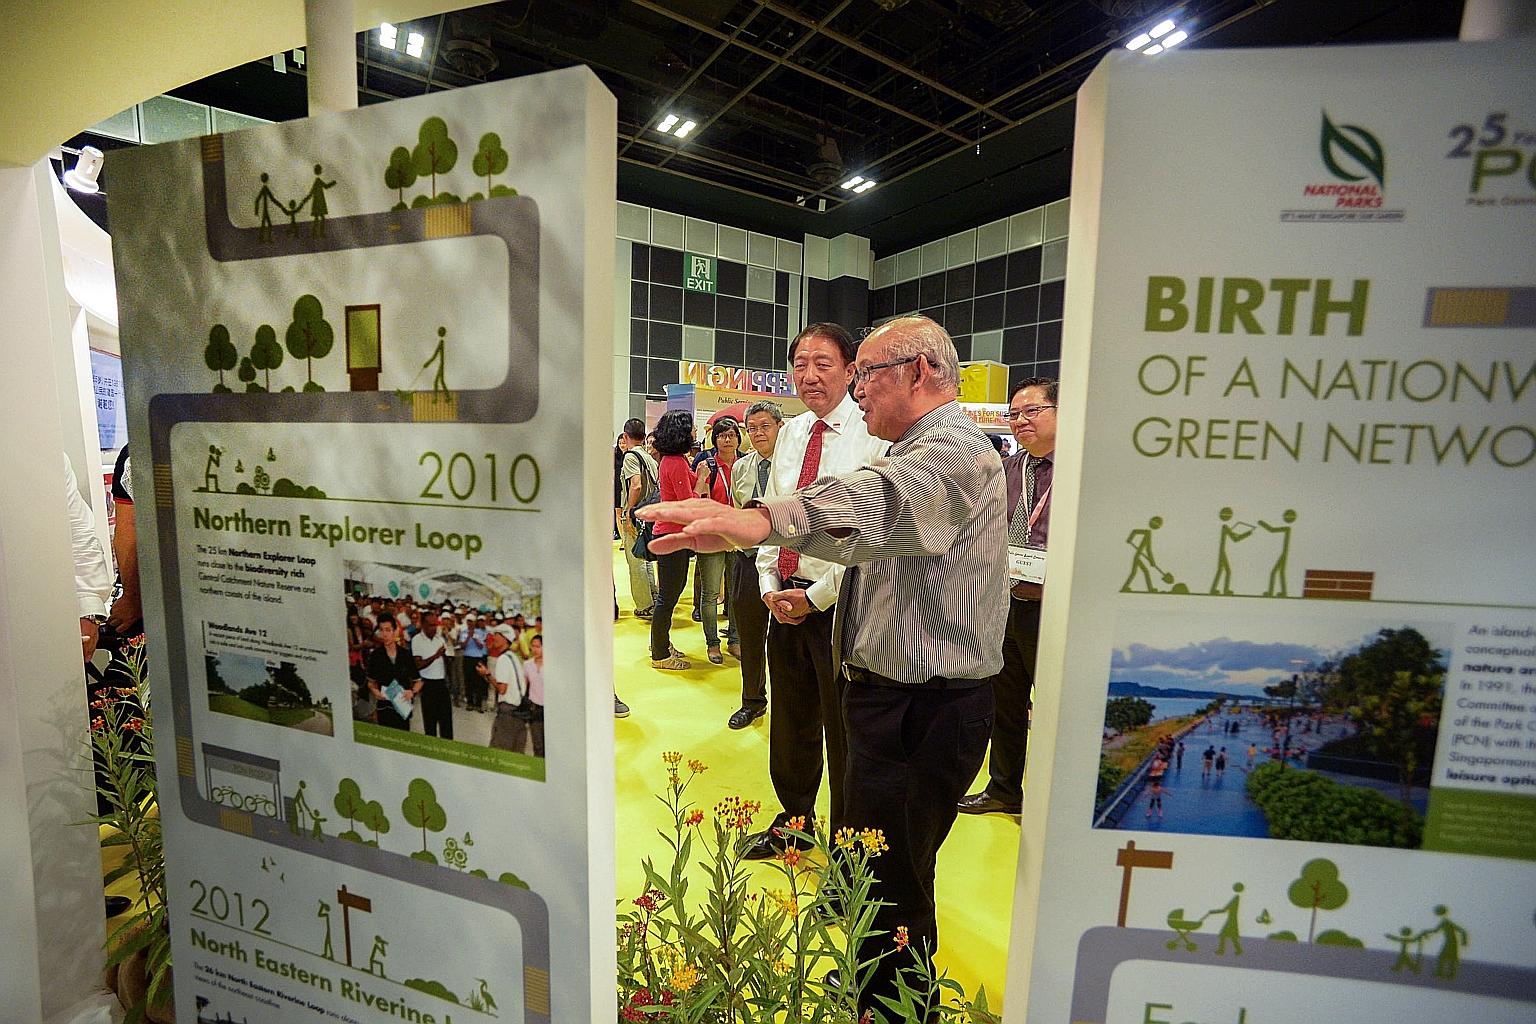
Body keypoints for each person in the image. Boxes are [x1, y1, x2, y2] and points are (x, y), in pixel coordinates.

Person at [639, 314, 1006, 1016]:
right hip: (892, 697)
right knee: (882, 870)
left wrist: (758, 519)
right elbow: (865, 534)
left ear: (920, 372)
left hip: (922, 706)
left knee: (893, 879)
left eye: (865, 373)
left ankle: (894, 1005)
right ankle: (876, 985)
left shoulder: (952, 448)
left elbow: (880, 502)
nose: (855, 390)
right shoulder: (911, 445)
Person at [743, 323, 887, 861]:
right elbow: (772, 513)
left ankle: (849, 847)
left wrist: (816, 597)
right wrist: (769, 583)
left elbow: (871, 534)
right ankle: (794, 820)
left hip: (839, 604)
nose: (809, 375)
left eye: (823, 363)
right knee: (792, 718)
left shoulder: (871, 434)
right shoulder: (792, 434)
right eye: (800, 364)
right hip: (783, 599)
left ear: (852, 371)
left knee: (844, 729)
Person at [959, 377, 1057, 817]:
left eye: (1031, 411)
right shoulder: (1006, 470)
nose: (1020, 421)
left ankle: (1052, 800)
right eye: (1014, 414)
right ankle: (1003, 788)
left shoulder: (1080, 471)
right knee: (1007, 702)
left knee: (1054, 710)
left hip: (1056, 608)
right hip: (1006, 601)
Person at [727, 401, 783, 729]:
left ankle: (792, 707)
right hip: (748, 559)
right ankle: (752, 700)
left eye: (765, 426)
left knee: (785, 641)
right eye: (752, 428)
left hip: (786, 561)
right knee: (749, 634)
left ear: (779, 426)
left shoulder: (794, 465)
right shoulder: (741, 467)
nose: (758, 433)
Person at [648, 410, 698, 670]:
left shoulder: (675, 459)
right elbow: (686, 502)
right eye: (691, 428)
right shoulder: (675, 462)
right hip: (671, 535)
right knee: (668, 595)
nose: (694, 432)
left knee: (670, 593)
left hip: (671, 534)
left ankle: (661, 643)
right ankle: (659, 653)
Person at [693, 417, 743, 664]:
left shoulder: (745, 463)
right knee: (711, 593)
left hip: (737, 537)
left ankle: (734, 640)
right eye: (722, 435)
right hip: (711, 537)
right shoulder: (707, 463)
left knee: (735, 593)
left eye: (732, 435)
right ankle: (713, 643)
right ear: (715, 439)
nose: (727, 439)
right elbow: (696, 501)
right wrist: (701, 479)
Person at [617, 418, 658, 619]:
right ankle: (653, 597)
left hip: (636, 514)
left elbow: (636, 485)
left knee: (635, 561)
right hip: (649, 514)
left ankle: (645, 605)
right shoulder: (650, 457)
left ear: (626, 436)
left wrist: (628, 511)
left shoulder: (630, 457)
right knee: (645, 557)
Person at [367, 618, 419, 729]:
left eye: (388, 630)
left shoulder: (405, 654)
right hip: (384, 706)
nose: (384, 634)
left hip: (402, 706)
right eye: (381, 630)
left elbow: (418, 681)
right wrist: (375, 692)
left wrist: (412, 692)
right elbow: (371, 682)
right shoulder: (375, 655)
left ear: (395, 631)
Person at [484, 629, 531, 752]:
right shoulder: (513, 657)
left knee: (499, 752)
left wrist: (487, 675)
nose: (493, 637)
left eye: (497, 635)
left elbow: (502, 689)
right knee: (516, 753)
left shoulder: (503, 659)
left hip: (508, 713)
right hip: (519, 712)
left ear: (505, 639)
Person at [411, 611, 452, 739]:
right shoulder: (417, 640)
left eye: (435, 625)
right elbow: (418, 665)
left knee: (446, 722)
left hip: (441, 683)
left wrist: (445, 656)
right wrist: (436, 655)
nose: (434, 628)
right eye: (430, 625)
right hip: (427, 684)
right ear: (422, 625)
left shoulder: (439, 639)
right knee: (430, 723)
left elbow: (447, 660)